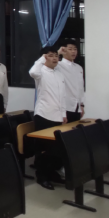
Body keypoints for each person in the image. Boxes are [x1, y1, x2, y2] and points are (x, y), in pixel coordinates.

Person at [29, 47, 68, 191]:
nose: (55, 58)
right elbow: (32, 72)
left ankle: (52, 173)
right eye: (50, 56)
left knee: (56, 149)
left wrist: (63, 113)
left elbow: (62, 96)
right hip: (44, 115)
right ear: (44, 58)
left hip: (57, 116)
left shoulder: (59, 73)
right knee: (43, 149)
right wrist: (42, 58)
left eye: (56, 55)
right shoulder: (40, 72)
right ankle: (42, 177)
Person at [58, 39, 86, 123]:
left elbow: (80, 88)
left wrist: (81, 105)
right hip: (64, 106)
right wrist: (58, 53)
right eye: (70, 49)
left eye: (75, 49)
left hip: (77, 107)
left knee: (76, 128)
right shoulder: (58, 65)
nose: (73, 51)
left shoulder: (78, 67)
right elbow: (43, 65)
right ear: (63, 50)